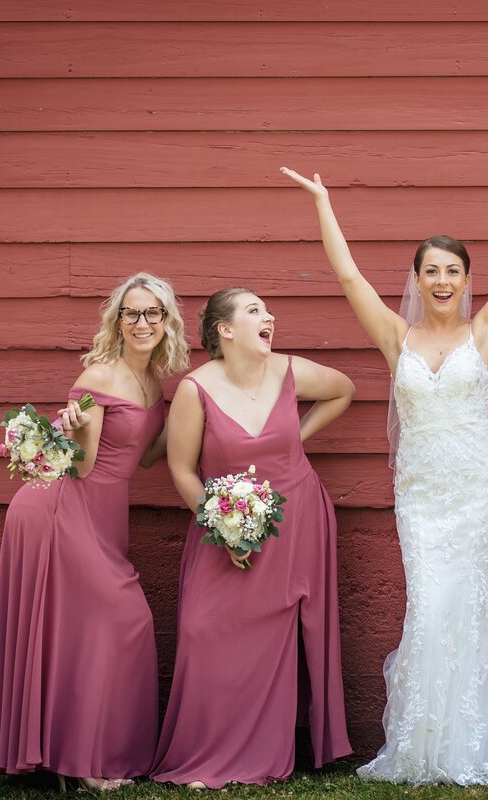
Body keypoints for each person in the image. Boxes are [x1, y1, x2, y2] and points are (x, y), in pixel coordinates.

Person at [281, 141, 488, 785]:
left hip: (481, 486)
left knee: (474, 610)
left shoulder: (486, 331)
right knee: (430, 606)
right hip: (422, 493)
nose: (442, 281)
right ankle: (421, 743)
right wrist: (324, 205)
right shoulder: (396, 337)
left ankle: (469, 742)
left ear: (467, 280)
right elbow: (349, 277)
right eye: (430, 271)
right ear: (415, 280)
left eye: (453, 271)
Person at [0, 273, 189, 790]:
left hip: (103, 512)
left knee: (86, 630)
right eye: (132, 313)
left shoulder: (154, 382)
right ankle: (85, 764)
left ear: (167, 321)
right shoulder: (100, 377)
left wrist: (197, 430)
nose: (143, 323)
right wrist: (73, 432)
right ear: (117, 321)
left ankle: (76, 754)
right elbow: (82, 465)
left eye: (153, 313)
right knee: (124, 622)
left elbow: (142, 455)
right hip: (60, 507)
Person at [151, 287, 354, 789]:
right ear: (225, 330)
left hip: (298, 515)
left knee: (278, 635)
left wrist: (292, 440)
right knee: (204, 629)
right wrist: (222, 530)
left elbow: (343, 389)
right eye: (255, 311)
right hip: (225, 525)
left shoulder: (289, 371)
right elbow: (180, 469)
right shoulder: (196, 391)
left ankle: (260, 757)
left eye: (266, 310)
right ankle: (203, 756)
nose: (270, 317)